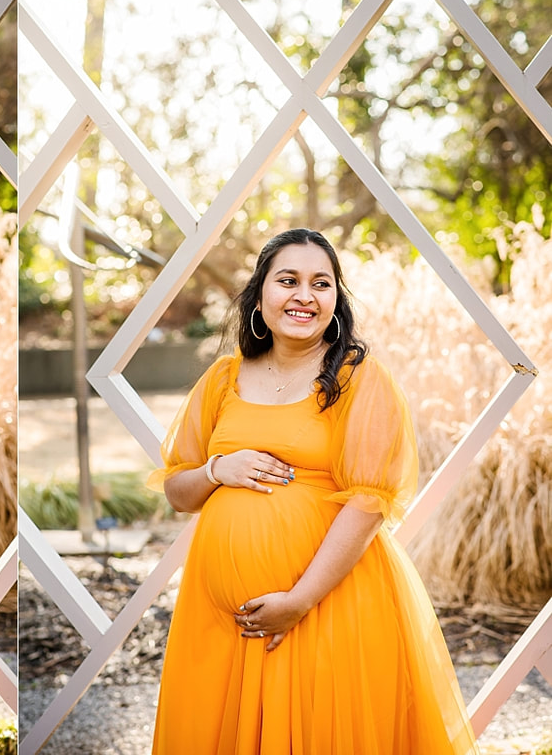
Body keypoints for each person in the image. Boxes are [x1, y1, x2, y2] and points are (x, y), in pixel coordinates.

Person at [147, 228, 478, 754]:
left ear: (335, 302)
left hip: (326, 607)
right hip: (218, 624)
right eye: (288, 280)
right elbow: (179, 492)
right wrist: (217, 469)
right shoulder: (221, 379)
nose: (305, 295)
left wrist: (298, 601)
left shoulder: (357, 379)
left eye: (321, 283)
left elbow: (370, 504)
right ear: (260, 297)